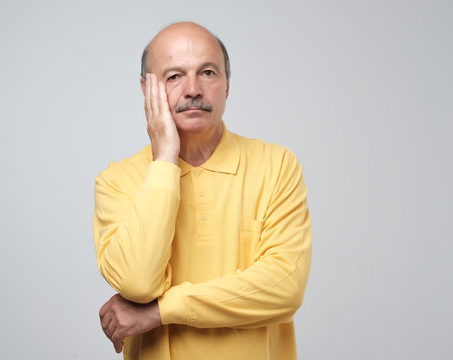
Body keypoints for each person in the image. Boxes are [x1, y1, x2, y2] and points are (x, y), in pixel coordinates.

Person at [93, 22, 311, 360]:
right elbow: (137, 283)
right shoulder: (118, 180)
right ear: (145, 90)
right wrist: (164, 159)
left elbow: (284, 287)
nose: (193, 89)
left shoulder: (277, 165)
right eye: (174, 76)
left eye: (207, 73)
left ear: (227, 86)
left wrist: (158, 312)